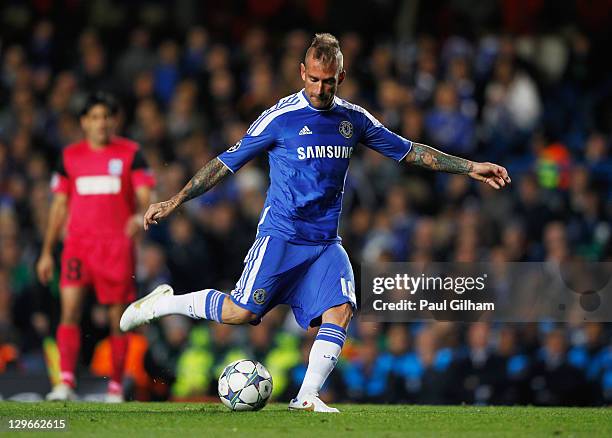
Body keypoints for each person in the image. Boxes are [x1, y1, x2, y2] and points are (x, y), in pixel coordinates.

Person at [120, 33, 511, 412]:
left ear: (340, 77)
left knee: (341, 308)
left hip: (325, 241)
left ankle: (306, 397)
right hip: (282, 236)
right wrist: (176, 200)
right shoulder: (280, 118)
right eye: (313, 79)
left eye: (328, 81)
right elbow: (226, 163)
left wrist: (471, 167)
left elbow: (409, 152)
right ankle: (164, 303)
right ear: (301, 72)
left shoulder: (353, 119)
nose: (320, 89)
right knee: (242, 313)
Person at [37, 92, 155, 402]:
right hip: (77, 245)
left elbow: (144, 194)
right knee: (70, 311)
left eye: (106, 116)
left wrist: (136, 216)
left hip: (116, 246)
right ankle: (65, 382)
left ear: (113, 121)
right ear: (83, 122)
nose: (101, 123)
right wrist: (47, 251)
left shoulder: (131, 153)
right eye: (94, 117)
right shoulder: (70, 156)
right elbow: (59, 205)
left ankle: (115, 386)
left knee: (119, 318)